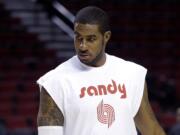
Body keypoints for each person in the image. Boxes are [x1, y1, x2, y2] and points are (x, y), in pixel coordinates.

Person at [36, 6, 166, 135]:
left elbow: (152, 130)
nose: (83, 46)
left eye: (90, 39)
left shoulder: (132, 74)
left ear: (106, 36)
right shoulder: (54, 83)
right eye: (78, 38)